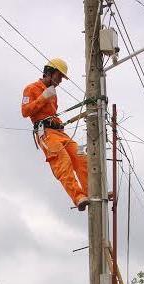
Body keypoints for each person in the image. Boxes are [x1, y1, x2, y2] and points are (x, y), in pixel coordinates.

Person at [21, 58, 89, 211]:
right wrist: (43, 97)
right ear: (50, 73)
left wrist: (58, 121)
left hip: (58, 131)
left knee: (81, 157)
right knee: (63, 162)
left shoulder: (53, 93)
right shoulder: (31, 88)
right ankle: (78, 197)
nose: (60, 81)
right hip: (45, 133)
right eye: (59, 77)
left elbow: (51, 113)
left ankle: (91, 192)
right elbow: (25, 111)